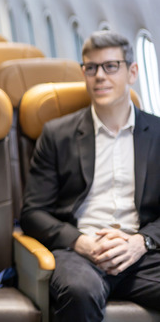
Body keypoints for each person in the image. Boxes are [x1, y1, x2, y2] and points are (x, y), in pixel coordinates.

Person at [20, 31, 160, 322]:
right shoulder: (58, 134)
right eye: (91, 68)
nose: (100, 76)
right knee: (79, 291)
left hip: (140, 254)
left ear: (132, 72)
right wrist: (80, 242)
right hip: (81, 252)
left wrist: (140, 242)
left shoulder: (158, 134)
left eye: (111, 66)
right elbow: (33, 212)